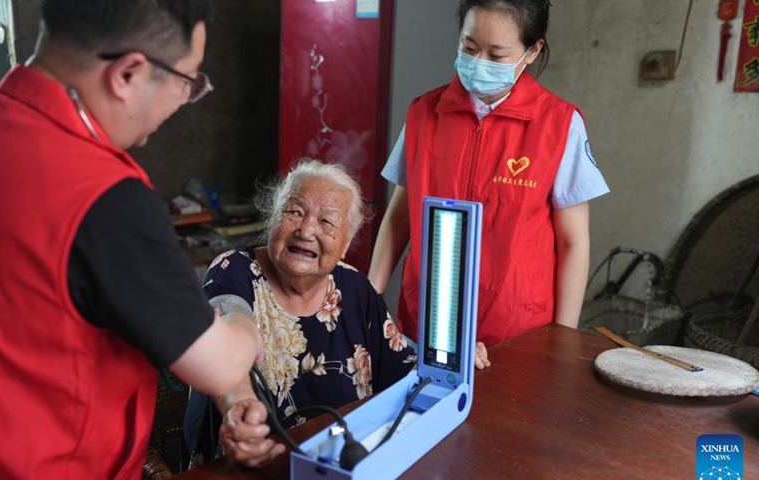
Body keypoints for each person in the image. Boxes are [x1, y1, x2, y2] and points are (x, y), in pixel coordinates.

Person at [0, 1, 264, 478]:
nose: (185, 100)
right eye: (188, 82)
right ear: (128, 74)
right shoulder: (103, 197)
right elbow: (221, 366)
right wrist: (242, 317)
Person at [369, 0, 609, 369]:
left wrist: (562, 339)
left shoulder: (559, 126)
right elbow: (400, 217)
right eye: (469, 47)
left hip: (518, 335)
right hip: (431, 326)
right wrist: (368, 298)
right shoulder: (423, 113)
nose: (479, 61)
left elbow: (573, 242)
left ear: (532, 51)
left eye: (497, 55)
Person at [183, 159, 417, 467]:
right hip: (255, 465)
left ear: (345, 244)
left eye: (327, 221)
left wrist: (450, 361)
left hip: (343, 465)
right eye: (294, 212)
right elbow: (229, 324)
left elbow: (407, 374)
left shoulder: (356, 289)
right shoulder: (233, 270)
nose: (306, 230)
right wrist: (240, 402)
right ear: (273, 219)